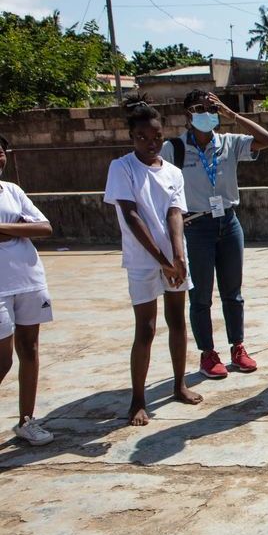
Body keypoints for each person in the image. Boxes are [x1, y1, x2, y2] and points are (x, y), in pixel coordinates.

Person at [104, 96, 203, 426]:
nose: (151, 143)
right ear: (132, 137)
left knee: (178, 321)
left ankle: (179, 384)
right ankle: (137, 400)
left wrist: (177, 255)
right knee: (145, 329)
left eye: (156, 136)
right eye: (143, 137)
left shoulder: (173, 172)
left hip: (172, 259)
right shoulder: (122, 168)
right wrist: (161, 260)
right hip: (143, 260)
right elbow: (132, 216)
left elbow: (175, 213)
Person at [163, 90, 268, 379]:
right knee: (200, 295)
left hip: (228, 222)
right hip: (196, 226)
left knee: (233, 292)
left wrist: (232, 114)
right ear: (187, 115)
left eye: (210, 108)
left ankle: (238, 346)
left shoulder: (228, 143)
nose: (205, 113)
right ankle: (208, 352)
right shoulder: (173, 148)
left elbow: (267, 141)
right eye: (199, 108)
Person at [0, 134, 54, 445]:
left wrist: (5, 229)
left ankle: (26, 421)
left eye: (1, 152)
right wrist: (20, 228)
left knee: (30, 350)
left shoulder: (13, 191)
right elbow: (31, 227)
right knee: (3, 360)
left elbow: (44, 227)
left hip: (29, 280)